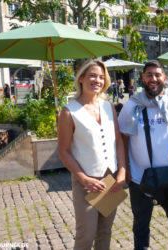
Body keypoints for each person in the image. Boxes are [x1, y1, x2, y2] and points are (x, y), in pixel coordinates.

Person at [118, 60, 168, 250]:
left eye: (157, 75)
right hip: (139, 178)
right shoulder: (132, 105)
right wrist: (124, 168)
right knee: (140, 226)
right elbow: (123, 140)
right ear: (142, 78)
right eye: (149, 74)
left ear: (165, 78)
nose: (153, 79)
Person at [57, 59, 126, 250]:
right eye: (93, 75)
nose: (97, 80)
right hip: (86, 183)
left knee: (104, 233)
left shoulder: (108, 107)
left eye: (101, 77)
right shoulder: (69, 111)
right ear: (81, 79)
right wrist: (83, 179)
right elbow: (63, 151)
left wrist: (122, 171)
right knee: (85, 236)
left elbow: (118, 141)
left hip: (110, 179)